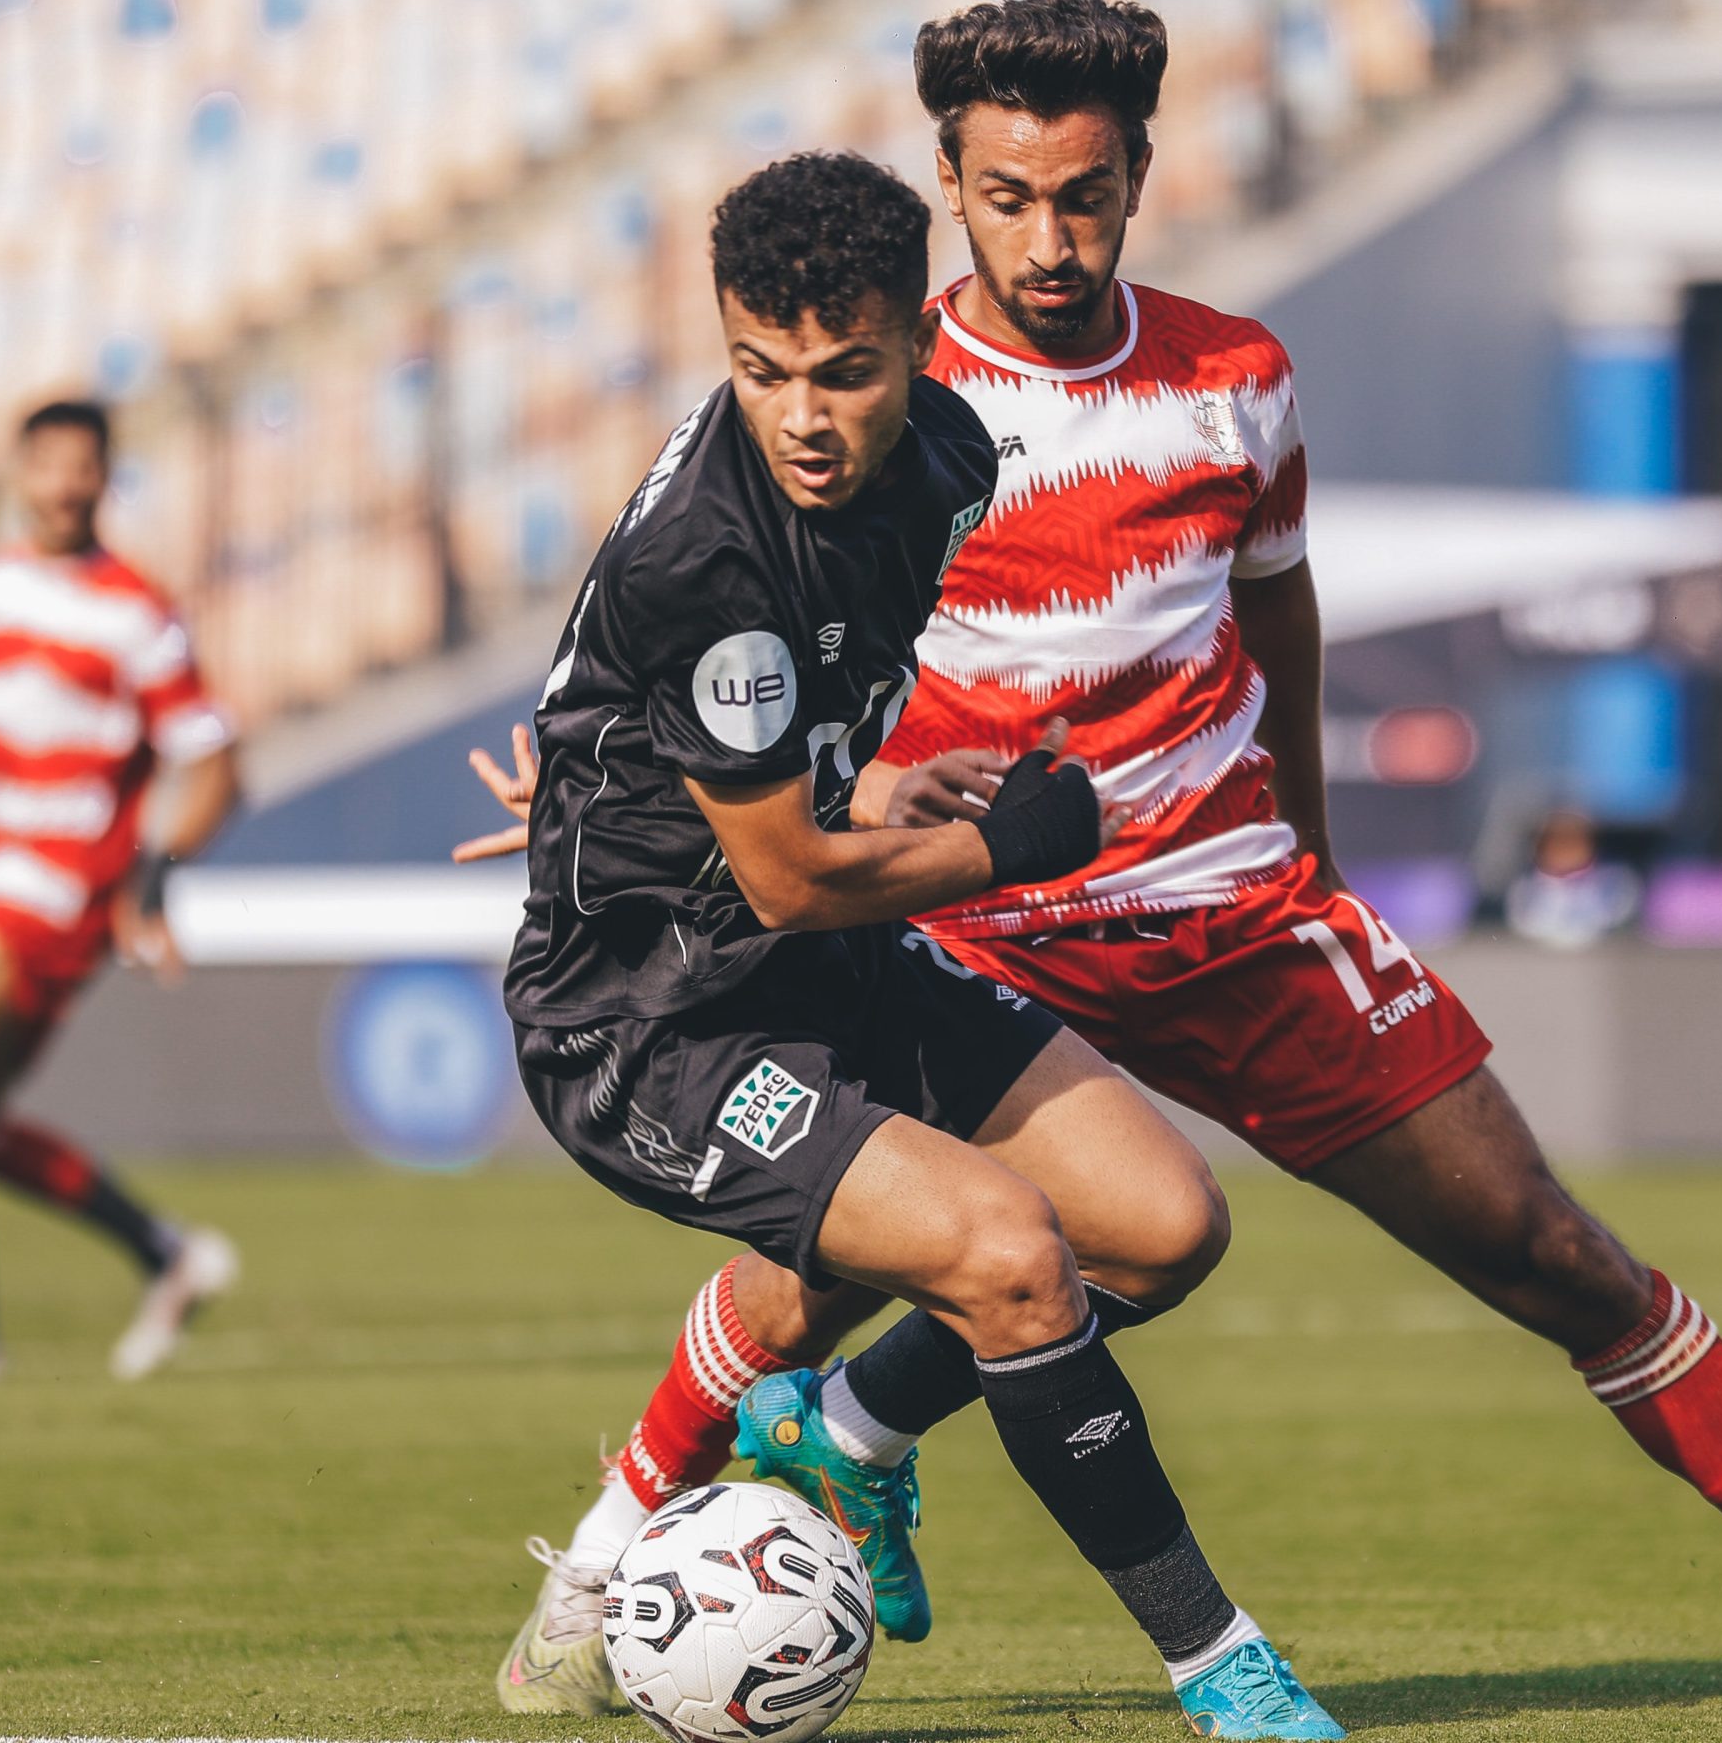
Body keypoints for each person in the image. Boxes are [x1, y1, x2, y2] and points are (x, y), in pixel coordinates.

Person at [484, 0, 1722, 1713]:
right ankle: (595, 1582)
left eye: (1083, 195)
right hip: (976, 910)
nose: (1049, 239)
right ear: (948, 189)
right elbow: (730, 651)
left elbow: (1281, 614)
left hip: (1222, 903)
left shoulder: (1229, 383)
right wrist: (633, 802)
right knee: (839, 1265)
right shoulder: (870, 382)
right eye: (1008, 198)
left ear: (1139, 176)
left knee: (1541, 1247)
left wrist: (1307, 845)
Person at [503, 148, 1342, 1742]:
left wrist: (874, 778)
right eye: (760, 372)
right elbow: (784, 884)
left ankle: (846, 1433)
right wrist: (1003, 845)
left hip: (810, 948)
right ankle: (1221, 1666)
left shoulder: (952, 457)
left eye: (844, 371)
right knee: (1008, 1256)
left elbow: (798, 732)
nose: (802, 417)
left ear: (918, 341)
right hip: (654, 1024)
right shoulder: (712, 564)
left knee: (1162, 1228)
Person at [0, 397, 243, 1390]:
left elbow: (215, 762)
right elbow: (7, 727)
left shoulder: (136, 613)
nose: (66, 485)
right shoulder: (0, 581)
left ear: (106, 478)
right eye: (50, 465)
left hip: (55, 885)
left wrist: (156, 877)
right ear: (20, 474)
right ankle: (165, 1252)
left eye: (84, 467)